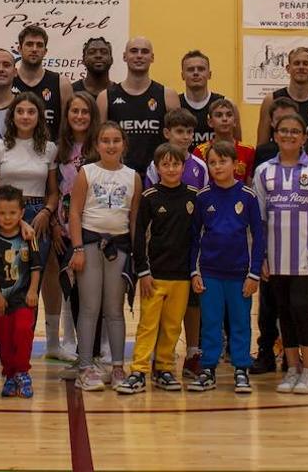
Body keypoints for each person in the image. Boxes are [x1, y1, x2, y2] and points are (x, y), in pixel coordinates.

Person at [254, 113, 308, 395]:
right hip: (275, 257)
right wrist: (260, 257)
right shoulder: (264, 171)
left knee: (302, 309)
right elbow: (259, 218)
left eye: (295, 131)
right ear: (275, 135)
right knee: (284, 312)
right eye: (283, 131)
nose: (289, 136)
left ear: (303, 137)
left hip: (307, 255)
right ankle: (292, 369)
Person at [187, 140, 265, 393]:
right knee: (210, 322)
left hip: (240, 274)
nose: (217, 166)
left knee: (241, 322)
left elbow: (257, 237)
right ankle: (208, 369)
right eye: (212, 162)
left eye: (223, 161)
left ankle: (241, 369)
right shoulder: (203, 197)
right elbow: (194, 237)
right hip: (210, 273)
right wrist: (194, 271)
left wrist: (254, 273)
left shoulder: (248, 196)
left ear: (236, 164)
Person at [118, 143, 196, 395]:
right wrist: (143, 271)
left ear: (183, 167)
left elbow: (198, 237)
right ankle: (139, 370)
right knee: (148, 324)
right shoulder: (149, 198)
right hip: (155, 275)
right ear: (157, 167)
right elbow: (140, 238)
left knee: (173, 325)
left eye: (176, 164)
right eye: (166, 164)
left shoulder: (193, 196)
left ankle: (164, 368)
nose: (171, 169)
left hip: (182, 276)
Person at [68, 122, 140, 391]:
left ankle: (118, 368)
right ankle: (85, 367)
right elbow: (75, 212)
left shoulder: (133, 176)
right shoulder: (87, 172)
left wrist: (136, 256)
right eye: (105, 140)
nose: (111, 145)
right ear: (96, 145)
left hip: (119, 248)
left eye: (116, 140)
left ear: (124, 144)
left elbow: (134, 220)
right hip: (89, 244)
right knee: (89, 307)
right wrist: (76, 248)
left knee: (114, 309)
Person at [143, 107, 207, 379]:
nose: (185, 137)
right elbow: (148, 203)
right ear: (167, 133)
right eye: (179, 131)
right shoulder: (155, 166)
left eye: (189, 132)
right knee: (159, 308)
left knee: (193, 303)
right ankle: (160, 356)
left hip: (190, 248)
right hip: (162, 250)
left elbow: (204, 206)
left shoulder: (200, 166)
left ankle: (192, 353)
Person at [247, 95, 300, 374]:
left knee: (300, 304)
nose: (285, 130)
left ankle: (301, 354)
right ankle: (266, 352)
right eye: (279, 123)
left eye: (290, 123)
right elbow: (259, 204)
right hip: (272, 241)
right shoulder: (264, 154)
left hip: (300, 243)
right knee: (268, 305)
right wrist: (260, 249)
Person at [51, 91, 102, 364]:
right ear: (67, 115)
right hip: (64, 232)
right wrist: (55, 225)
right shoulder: (58, 149)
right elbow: (53, 192)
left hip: (91, 231)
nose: (79, 116)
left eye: (85, 112)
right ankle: (83, 353)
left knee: (91, 297)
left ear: (92, 116)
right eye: (74, 111)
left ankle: (91, 353)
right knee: (74, 295)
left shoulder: (100, 148)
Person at [0, 93, 59, 259]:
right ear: (12, 116)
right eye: (20, 111)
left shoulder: (50, 148)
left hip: (38, 217)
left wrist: (46, 213)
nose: (25, 116)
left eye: (31, 112)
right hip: (6, 216)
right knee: (7, 277)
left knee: (34, 275)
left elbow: (54, 193)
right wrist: (12, 217)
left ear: (39, 117)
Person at [99, 37, 180, 181]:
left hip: (159, 178)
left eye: (145, 52)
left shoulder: (168, 95)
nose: (139, 56)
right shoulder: (106, 97)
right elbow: (98, 143)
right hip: (118, 178)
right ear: (124, 56)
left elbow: (178, 143)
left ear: (152, 57)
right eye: (134, 51)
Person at [0, 185, 42, 398]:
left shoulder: (28, 237)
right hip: (2, 298)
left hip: (23, 297)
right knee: (5, 337)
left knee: (22, 331)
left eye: (12, 213)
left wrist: (32, 291)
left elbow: (36, 267)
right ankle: (9, 374)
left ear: (21, 213)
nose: (7, 217)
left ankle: (22, 372)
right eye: (2, 213)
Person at [257, 47, 308, 151]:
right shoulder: (271, 100)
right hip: (279, 164)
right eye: (296, 63)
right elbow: (261, 147)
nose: (301, 67)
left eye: (305, 63)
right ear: (288, 68)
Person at [12, 25, 73, 140]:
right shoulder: (9, 81)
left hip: (49, 154)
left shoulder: (61, 84)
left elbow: (68, 129)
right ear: (19, 49)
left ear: (45, 51)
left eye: (39, 45)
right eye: (29, 44)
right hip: (13, 153)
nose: (34, 49)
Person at [193, 98, 255, 182]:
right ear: (210, 122)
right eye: (219, 115)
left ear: (235, 121)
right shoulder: (200, 151)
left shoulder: (248, 151)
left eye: (229, 115)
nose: (224, 119)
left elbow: (250, 185)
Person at [179, 50, 223, 149]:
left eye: (201, 69)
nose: (196, 73)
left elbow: (235, 144)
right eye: (190, 69)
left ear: (209, 74)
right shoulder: (175, 104)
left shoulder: (224, 104)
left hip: (215, 164)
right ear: (182, 75)